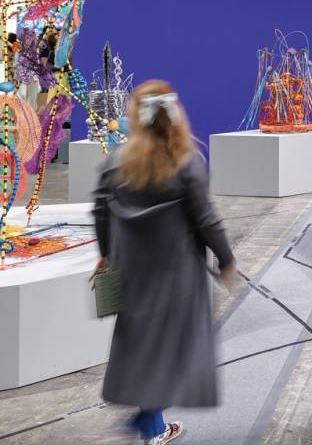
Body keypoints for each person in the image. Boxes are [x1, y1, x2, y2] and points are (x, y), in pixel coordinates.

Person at [91, 79, 237, 445]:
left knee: (143, 345)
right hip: (178, 273)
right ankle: (144, 421)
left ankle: (152, 425)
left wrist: (106, 254)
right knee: (176, 350)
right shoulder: (187, 163)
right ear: (174, 114)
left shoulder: (114, 162)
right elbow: (206, 219)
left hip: (131, 271)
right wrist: (226, 259)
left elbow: (100, 212)